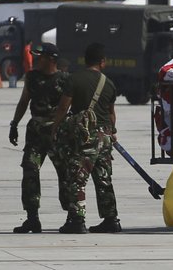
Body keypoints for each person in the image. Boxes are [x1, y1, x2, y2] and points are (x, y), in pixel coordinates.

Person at [51, 42, 120, 234]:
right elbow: (111, 112)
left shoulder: (74, 80)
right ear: (102, 62)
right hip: (105, 135)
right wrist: (112, 132)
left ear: (85, 60)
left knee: (77, 177)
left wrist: (55, 128)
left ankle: (76, 219)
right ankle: (111, 219)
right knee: (104, 178)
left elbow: (64, 107)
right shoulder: (109, 83)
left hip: (86, 136)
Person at [9, 42, 70, 233]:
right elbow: (24, 101)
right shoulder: (32, 77)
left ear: (50, 59)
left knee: (66, 174)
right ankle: (32, 217)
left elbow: (70, 107)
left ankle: (73, 215)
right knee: (30, 172)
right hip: (35, 132)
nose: (35, 60)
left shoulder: (65, 80)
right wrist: (14, 124)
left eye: (40, 57)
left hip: (57, 133)